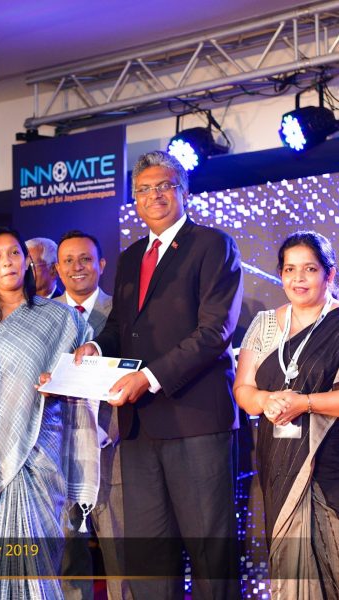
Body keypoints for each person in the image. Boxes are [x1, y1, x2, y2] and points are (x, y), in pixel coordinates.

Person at [74, 151, 243, 599]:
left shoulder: (213, 245)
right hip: (139, 429)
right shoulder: (131, 257)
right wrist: (97, 347)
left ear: (183, 192)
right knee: (149, 562)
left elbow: (214, 332)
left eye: (164, 186)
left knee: (211, 559)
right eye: (144, 189)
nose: (154, 196)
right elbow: (119, 326)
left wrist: (147, 378)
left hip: (196, 423)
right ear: (135, 199)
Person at [0, 227, 100, 599]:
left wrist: (68, 373)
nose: (7, 262)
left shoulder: (59, 318)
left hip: (41, 451)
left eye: (14, 253)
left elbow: (87, 368)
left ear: (27, 262)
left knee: (38, 559)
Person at [234, 231, 339, 599]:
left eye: (309, 269)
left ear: (329, 273)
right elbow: (243, 390)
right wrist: (266, 399)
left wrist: (303, 403)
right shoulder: (264, 323)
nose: (298, 279)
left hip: (332, 463)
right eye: (289, 269)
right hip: (280, 462)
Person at [55, 230, 131, 600]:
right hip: (59, 453)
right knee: (67, 558)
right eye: (68, 261)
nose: (77, 267)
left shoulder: (124, 313)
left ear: (101, 264)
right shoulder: (43, 315)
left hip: (112, 451)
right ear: (57, 269)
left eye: (85, 259)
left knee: (121, 555)